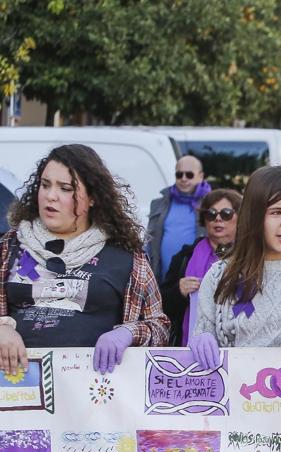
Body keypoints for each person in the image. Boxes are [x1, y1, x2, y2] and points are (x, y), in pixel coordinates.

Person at [0, 144, 170, 377]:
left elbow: (159, 328)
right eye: (45, 184)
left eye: (66, 188)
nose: (51, 195)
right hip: (17, 391)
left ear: (92, 198)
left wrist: (128, 333)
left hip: (91, 395)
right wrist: (2, 329)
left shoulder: (127, 255)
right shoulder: (9, 246)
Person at [188, 166, 281, 371]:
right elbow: (203, 336)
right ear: (255, 215)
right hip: (233, 397)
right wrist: (201, 339)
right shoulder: (218, 275)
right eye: (276, 212)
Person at [160, 188, 241, 345]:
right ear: (204, 219)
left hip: (239, 349)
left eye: (225, 213)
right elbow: (160, 307)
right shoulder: (184, 256)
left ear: (240, 217)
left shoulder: (253, 257)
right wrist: (178, 290)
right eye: (211, 214)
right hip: (188, 347)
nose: (218, 219)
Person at [147, 154, 209, 280]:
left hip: (198, 279)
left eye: (189, 174)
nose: (184, 179)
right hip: (162, 279)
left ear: (201, 176)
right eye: (179, 174)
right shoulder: (160, 203)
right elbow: (149, 242)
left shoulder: (210, 204)